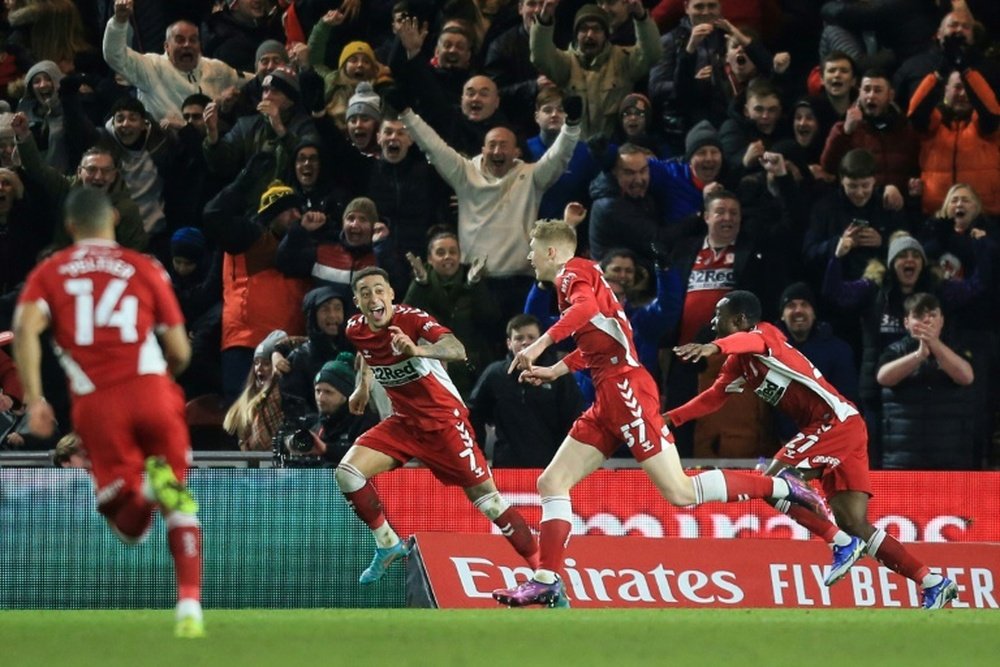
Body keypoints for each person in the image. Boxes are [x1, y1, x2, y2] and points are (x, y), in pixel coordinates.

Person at [491, 220, 827, 608]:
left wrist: (540, 345)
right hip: (608, 396)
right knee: (551, 483)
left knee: (680, 492)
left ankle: (782, 486)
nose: (529, 257)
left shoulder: (571, 277)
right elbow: (598, 340)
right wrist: (555, 369)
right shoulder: (583, 277)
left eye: (533, 249)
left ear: (552, 252)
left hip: (626, 391)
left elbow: (584, 312)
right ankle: (546, 580)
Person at [666, 290, 959, 610]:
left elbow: (746, 342)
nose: (712, 322)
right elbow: (713, 397)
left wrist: (712, 347)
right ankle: (933, 581)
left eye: (718, 315)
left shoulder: (764, 334)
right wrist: (668, 419)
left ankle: (840, 543)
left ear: (738, 320)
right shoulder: (739, 363)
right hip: (842, 426)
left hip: (833, 423)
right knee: (855, 522)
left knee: (773, 479)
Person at [12, 188, 205, 636]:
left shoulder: (50, 272)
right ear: (115, 218)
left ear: (71, 226)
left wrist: (37, 399)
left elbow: (23, 328)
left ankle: (147, 494)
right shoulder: (146, 267)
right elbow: (179, 349)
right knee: (180, 499)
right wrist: (164, 381)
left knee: (129, 530)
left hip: (99, 403)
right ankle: (190, 606)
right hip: (155, 389)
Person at [337, 267, 540, 584]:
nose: (374, 298)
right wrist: (361, 387)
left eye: (379, 290)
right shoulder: (355, 328)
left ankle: (544, 573)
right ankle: (388, 544)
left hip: (444, 423)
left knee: (490, 502)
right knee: (347, 474)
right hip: (404, 423)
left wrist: (418, 350)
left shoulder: (413, 320)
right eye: (365, 293)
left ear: (391, 294)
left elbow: (456, 349)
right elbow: (366, 352)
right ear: (357, 302)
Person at [102, 0, 248, 125]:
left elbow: (249, 80)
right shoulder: (151, 67)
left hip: (209, 144)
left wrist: (266, 74)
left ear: (200, 44)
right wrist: (119, 21)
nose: (186, 45)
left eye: (192, 40)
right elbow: (115, 55)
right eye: (179, 40)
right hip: (168, 147)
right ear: (166, 46)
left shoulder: (216, 69)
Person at [876, 292, 977, 469]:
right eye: (918, 316)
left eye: (932, 315)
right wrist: (919, 356)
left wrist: (935, 346)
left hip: (949, 454)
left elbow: (966, 376)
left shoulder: (955, 348)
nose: (927, 321)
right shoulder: (895, 350)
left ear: (942, 321)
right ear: (906, 322)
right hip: (902, 454)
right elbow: (883, 377)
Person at [470, 313, 584, 468]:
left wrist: (568, 463)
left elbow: (575, 418)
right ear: (509, 343)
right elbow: (474, 415)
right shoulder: (494, 374)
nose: (525, 343)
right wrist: (477, 459)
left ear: (541, 342)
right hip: (506, 468)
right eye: (519, 338)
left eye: (531, 338)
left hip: (551, 469)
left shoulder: (559, 374)